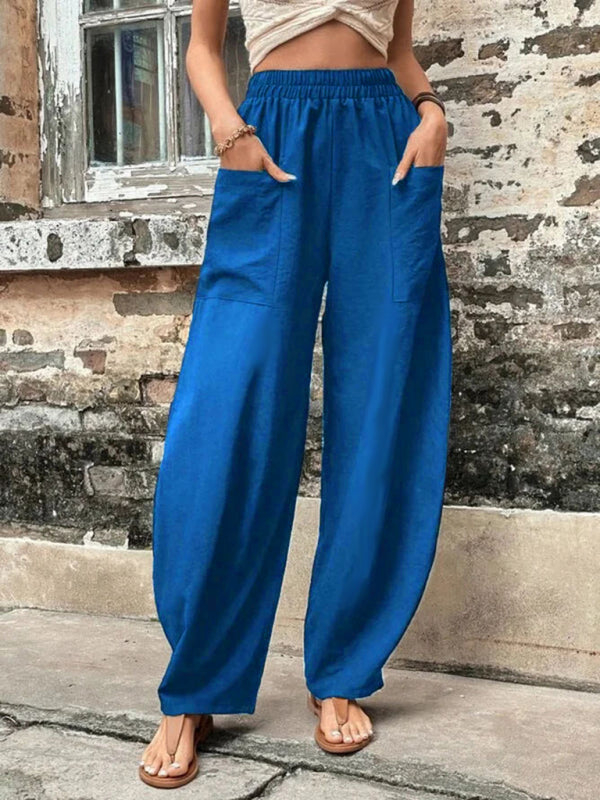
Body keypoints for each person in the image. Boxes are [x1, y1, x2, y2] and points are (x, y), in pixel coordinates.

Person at [139, 0, 451, 788]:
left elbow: (398, 51)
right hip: (270, 135)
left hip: (386, 143)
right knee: (229, 405)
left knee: (384, 398)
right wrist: (229, 130)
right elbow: (202, 47)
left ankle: (341, 668)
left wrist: (431, 112)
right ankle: (198, 679)